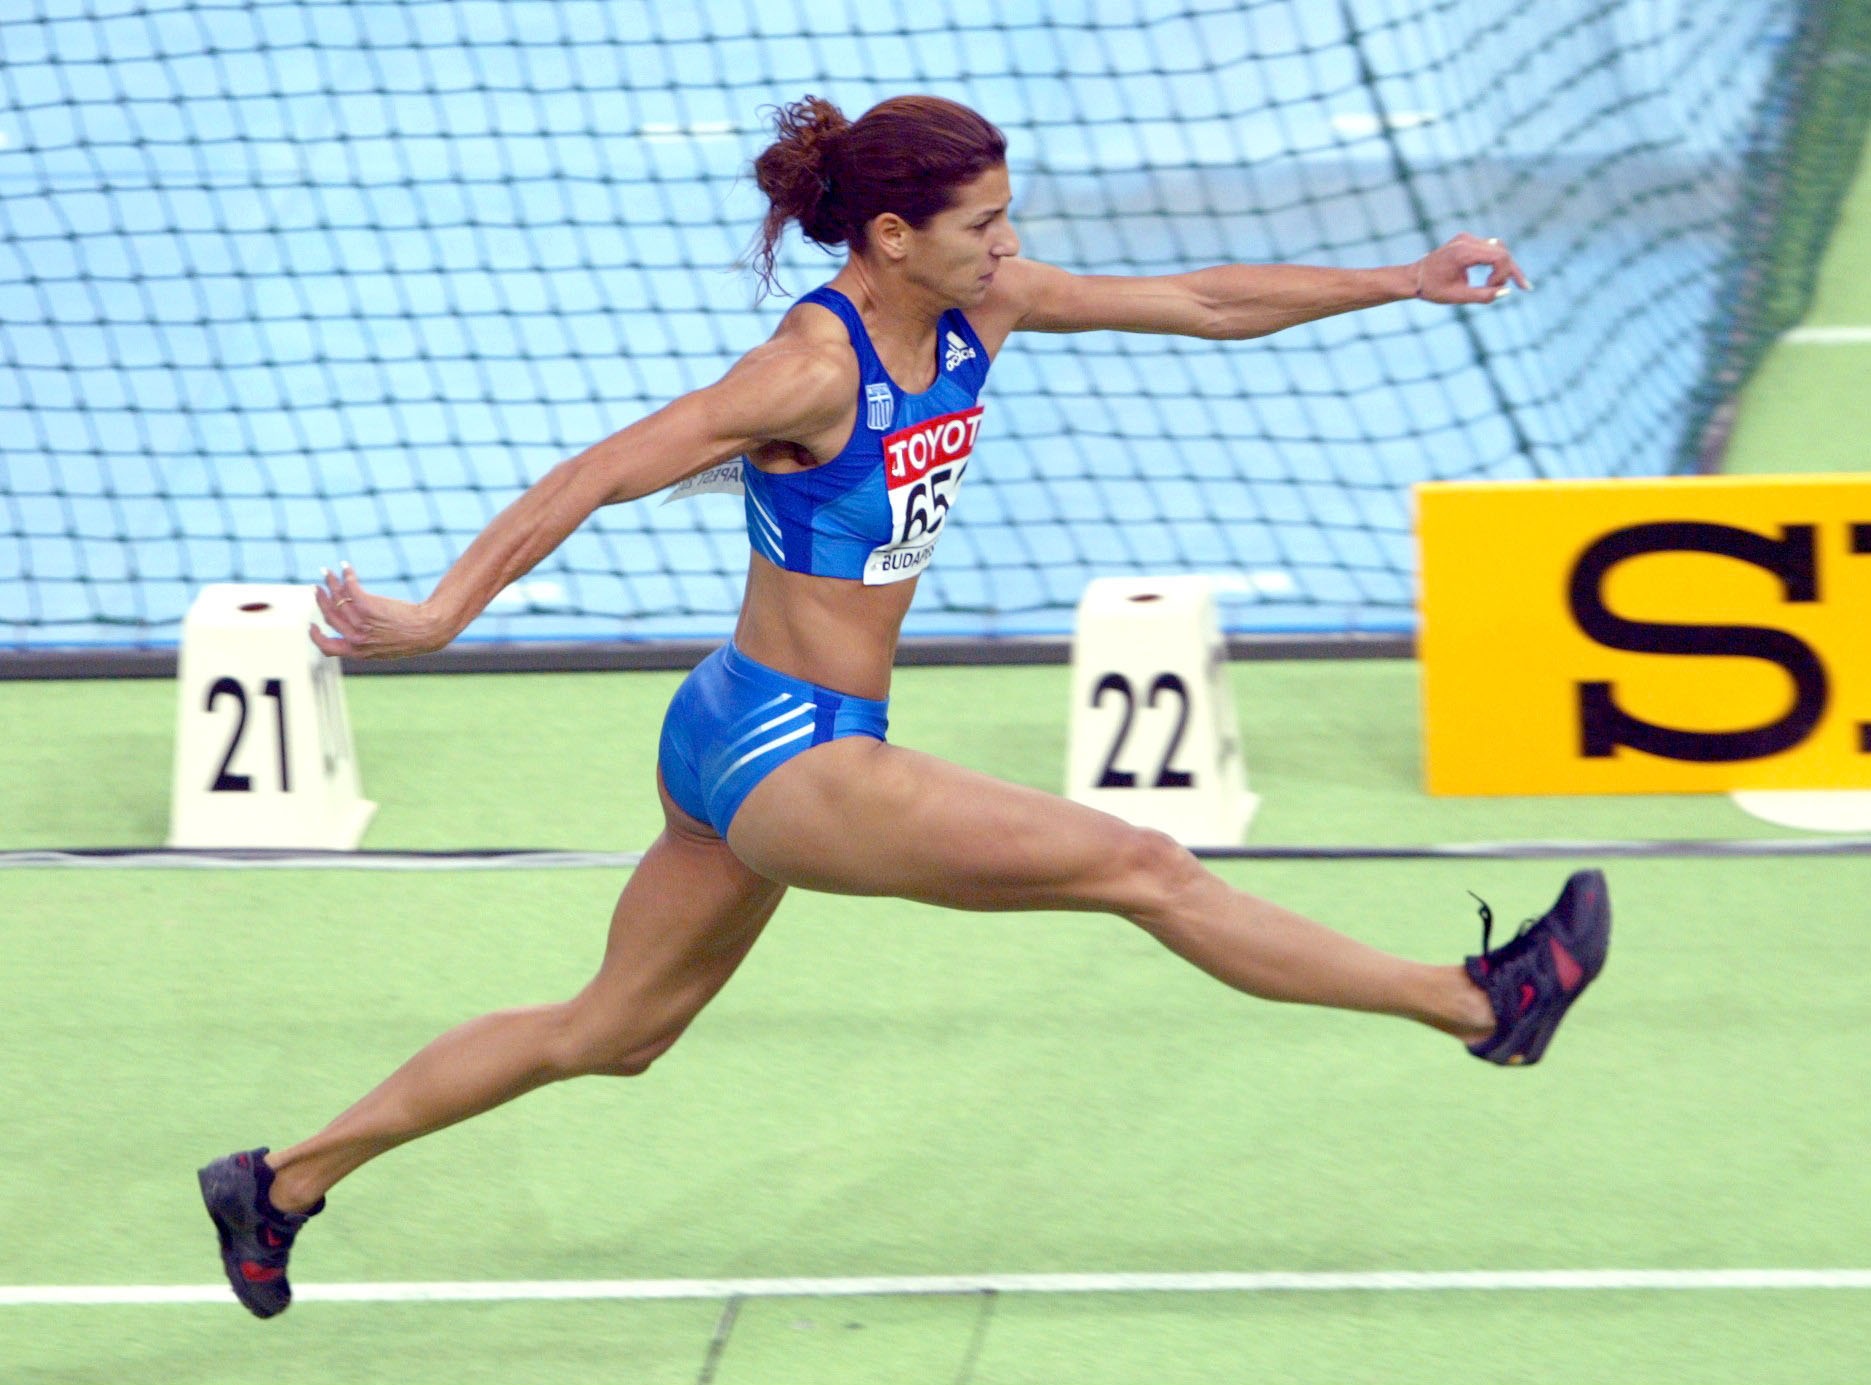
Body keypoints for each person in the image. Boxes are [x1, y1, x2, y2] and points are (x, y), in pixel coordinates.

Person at [197, 93, 1610, 1318]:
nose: (1007, 243)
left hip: (731, 725)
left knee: (611, 1032)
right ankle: (1478, 1003)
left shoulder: (982, 304)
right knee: (1144, 866)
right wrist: (445, 610)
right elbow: (600, 469)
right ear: (891, 236)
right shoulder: (811, 369)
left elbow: (1201, 302)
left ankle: (281, 1181)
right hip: (793, 753)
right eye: (982, 223)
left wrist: (1403, 279)